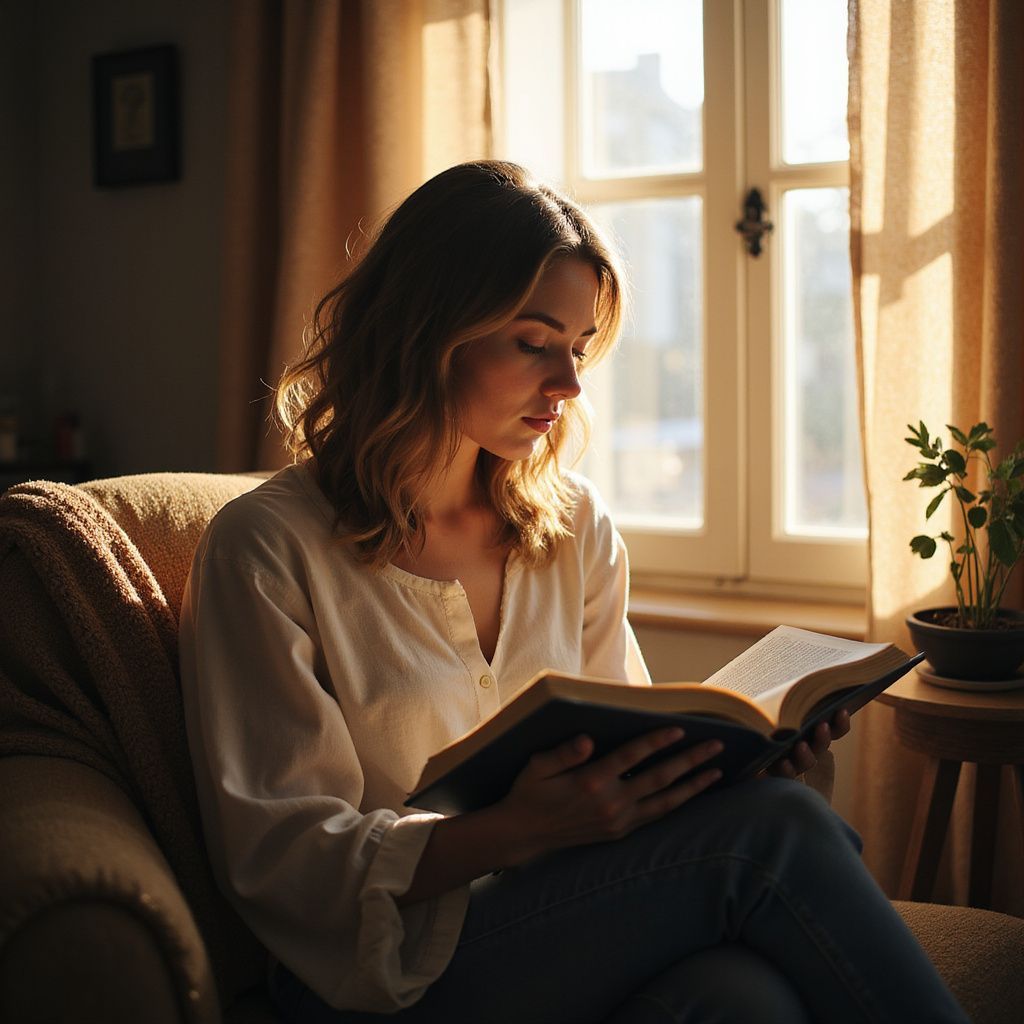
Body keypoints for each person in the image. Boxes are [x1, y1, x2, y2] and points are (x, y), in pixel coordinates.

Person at [178, 160, 967, 1024]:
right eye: (532, 342)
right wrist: (508, 831)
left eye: (579, 350)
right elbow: (278, 850)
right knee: (775, 836)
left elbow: (625, 758)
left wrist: (736, 761)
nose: (569, 386)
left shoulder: (572, 528)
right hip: (378, 972)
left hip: (566, 920)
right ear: (426, 328)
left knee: (747, 999)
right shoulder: (267, 549)